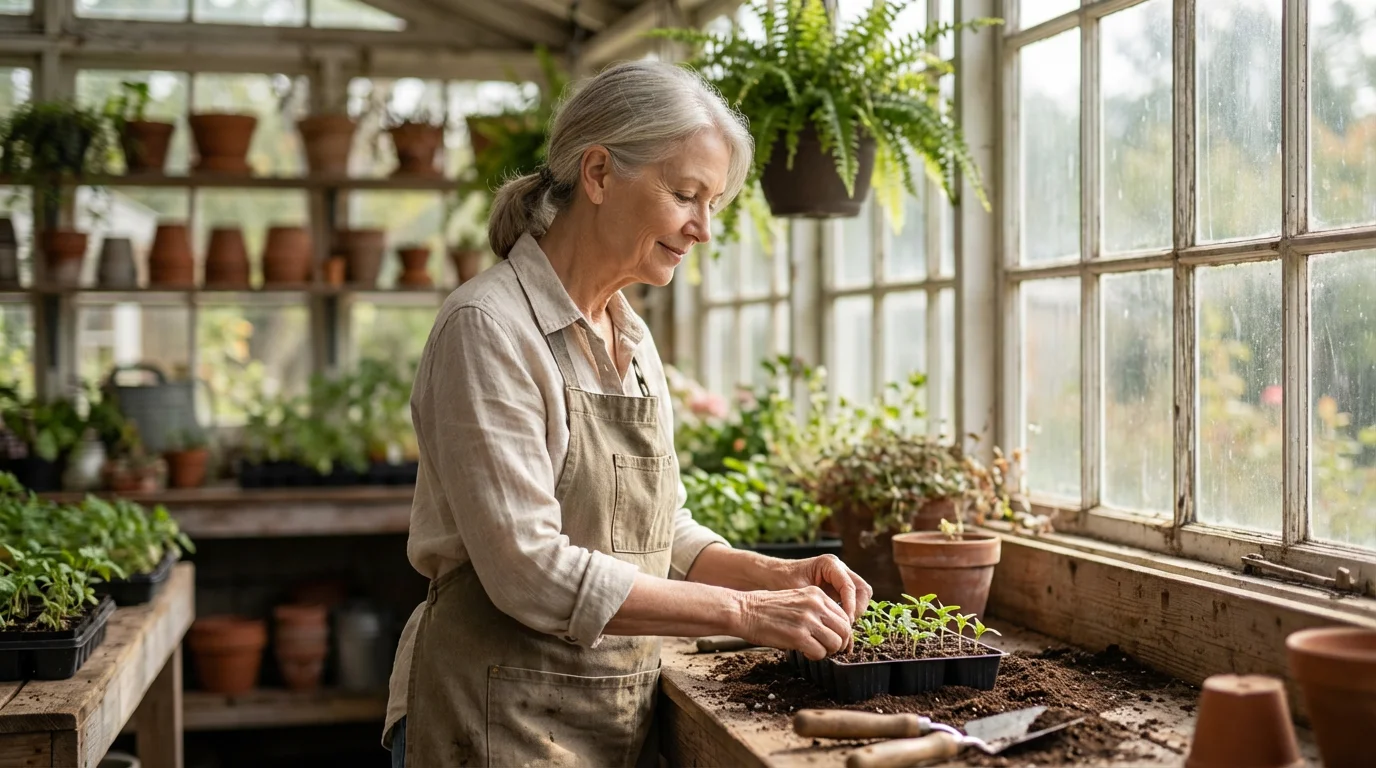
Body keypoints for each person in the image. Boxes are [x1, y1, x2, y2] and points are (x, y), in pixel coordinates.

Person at [384, 59, 872, 768]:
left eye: (714, 205)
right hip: (488, 720)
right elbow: (529, 569)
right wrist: (745, 614)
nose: (703, 228)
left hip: (612, 715)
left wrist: (775, 577)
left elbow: (659, 528)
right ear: (600, 174)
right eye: (685, 194)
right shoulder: (488, 328)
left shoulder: (631, 337)